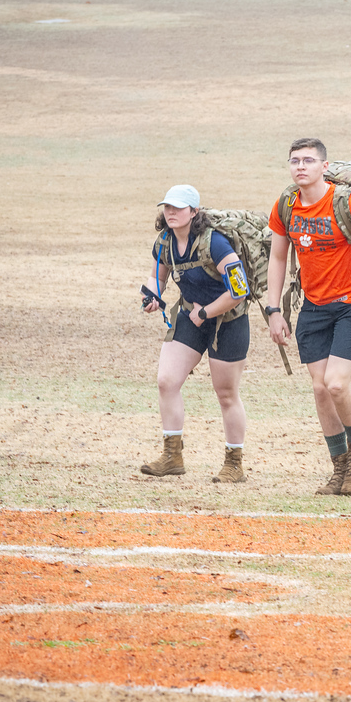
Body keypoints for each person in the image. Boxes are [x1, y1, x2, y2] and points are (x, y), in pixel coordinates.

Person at [265, 139, 351, 496]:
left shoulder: (349, 203)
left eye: (309, 160)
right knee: (321, 390)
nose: (301, 167)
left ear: (324, 166)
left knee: (337, 384)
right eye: (295, 161)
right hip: (314, 306)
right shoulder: (286, 205)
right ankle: (340, 469)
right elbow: (278, 259)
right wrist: (273, 309)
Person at [140, 184, 250, 484]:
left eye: (178, 207)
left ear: (194, 212)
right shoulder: (163, 242)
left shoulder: (215, 244)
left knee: (226, 394)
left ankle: (234, 463)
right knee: (166, 381)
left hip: (228, 320)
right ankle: (172, 456)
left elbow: (240, 290)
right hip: (190, 315)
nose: (171, 212)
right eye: (167, 207)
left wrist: (205, 313)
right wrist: (151, 296)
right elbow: (157, 276)